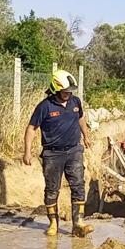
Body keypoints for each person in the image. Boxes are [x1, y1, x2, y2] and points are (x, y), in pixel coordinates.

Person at [23, 70, 94, 237]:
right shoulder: (44, 107)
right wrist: (27, 152)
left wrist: (86, 136)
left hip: (74, 150)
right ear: (56, 88)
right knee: (52, 189)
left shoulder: (75, 102)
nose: (68, 94)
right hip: (52, 154)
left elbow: (81, 118)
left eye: (70, 91)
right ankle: (53, 223)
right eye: (65, 91)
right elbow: (31, 129)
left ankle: (78, 222)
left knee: (78, 185)